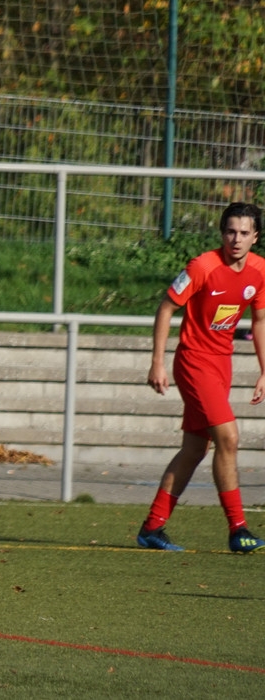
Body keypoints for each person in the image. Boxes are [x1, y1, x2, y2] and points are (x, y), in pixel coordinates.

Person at [137, 201, 265, 553]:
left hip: (222, 365)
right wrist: (157, 362)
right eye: (230, 232)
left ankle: (152, 527)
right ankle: (238, 529)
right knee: (229, 438)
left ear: (255, 236)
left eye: (243, 233)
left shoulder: (259, 271)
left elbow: (259, 321)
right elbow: (166, 307)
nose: (236, 239)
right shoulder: (202, 266)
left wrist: (264, 370)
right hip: (194, 362)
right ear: (221, 233)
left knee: (195, 448)